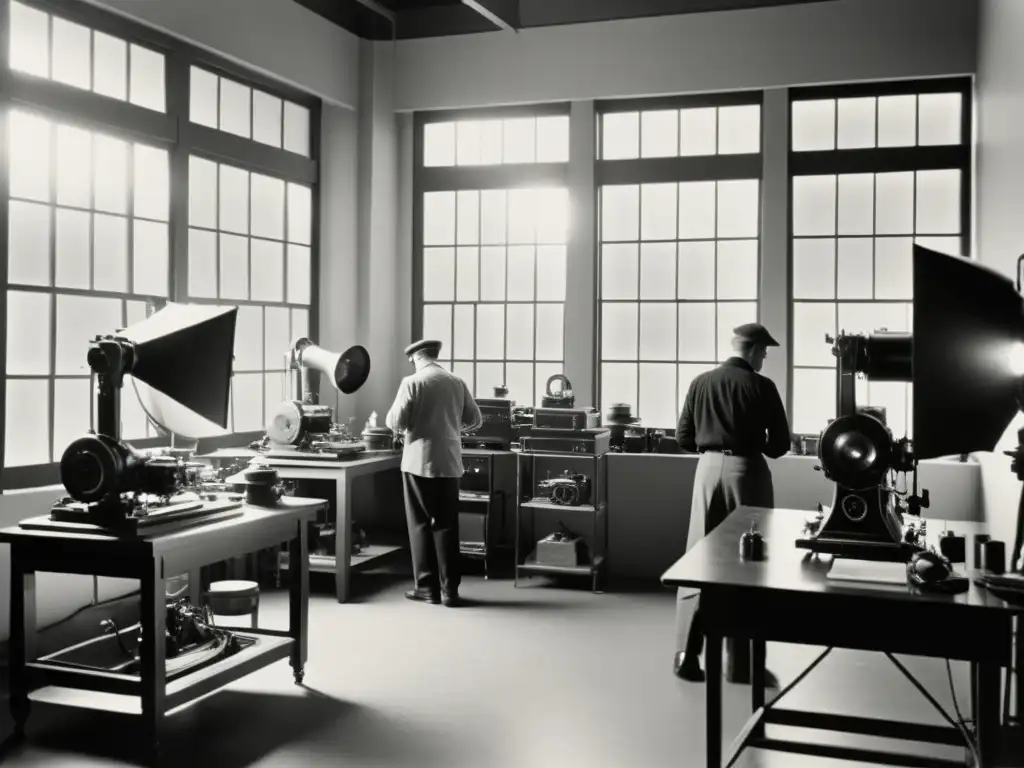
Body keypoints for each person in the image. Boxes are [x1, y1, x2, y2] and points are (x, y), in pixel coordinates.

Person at [672, 323, 792, 685]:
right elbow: (781, 444)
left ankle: (686, 654)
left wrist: (712, 452)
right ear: (753, 350)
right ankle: (742, 663)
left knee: (699, 559)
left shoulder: (701, 382)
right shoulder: (761, 386)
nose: (765, 358)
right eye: (764, 352)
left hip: (707, 471)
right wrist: (754, 445)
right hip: (747, 471)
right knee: (749, 561)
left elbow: (683, 437)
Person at [386, 339, 482, 607]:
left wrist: (408, 429)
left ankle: (427, 588)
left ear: (416, 358)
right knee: (448, 524)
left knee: (420, 524)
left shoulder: (412, 382)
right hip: (450, 462)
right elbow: (476, 419)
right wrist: (451, 431)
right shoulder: (456, 382)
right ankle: (450, 590)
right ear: (435, 356)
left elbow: (394, 421)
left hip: (419, 461)